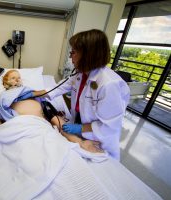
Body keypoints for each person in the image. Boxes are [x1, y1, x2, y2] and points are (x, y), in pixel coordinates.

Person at [21, 29, 130, 160]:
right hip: (79, 131)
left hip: (99, 140)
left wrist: (79, 128)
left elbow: (109, 125)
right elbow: (56, 88)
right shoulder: (81, 75)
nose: (70, 56)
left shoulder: (109, 85)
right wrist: (32, 93)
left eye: (73, 52)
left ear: (88, 55)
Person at [0, 70, 103, 153]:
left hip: (41, 127)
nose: (17, 79)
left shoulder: (34, 95)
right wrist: (0, 141)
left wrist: (79, 141)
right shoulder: (2, 96)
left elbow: (54, 119)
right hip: (20, 126)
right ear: (5, 83)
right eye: (13, 78)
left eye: (19, 77)